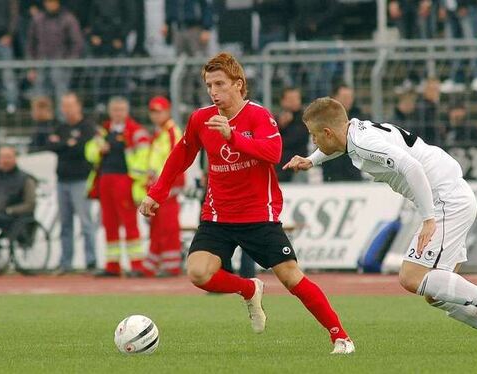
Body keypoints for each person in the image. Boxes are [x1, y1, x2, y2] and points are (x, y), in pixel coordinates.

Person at [138, 52, 354, 354]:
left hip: (258, 215)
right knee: (198, 273)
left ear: (238, 84)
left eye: (219, 84)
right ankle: (249, 288)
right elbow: (181, 155)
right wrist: (156, 193)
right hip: (218, 215)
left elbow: (273, 153)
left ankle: (340, 337)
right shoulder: (201, 118)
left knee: (291, 277)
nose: (213, 92)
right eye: (209, 85)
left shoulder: (259, 115)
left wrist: (232, 136)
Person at [283, 97, 477, 353]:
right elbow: (336, 146)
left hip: (445, 199)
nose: (313, 141)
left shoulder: (364, 143)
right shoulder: (354, 131)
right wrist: (312, 160)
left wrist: (428, 218)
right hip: (452, 193)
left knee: (411, 277)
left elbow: (412, 167)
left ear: (327, 132)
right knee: (436, 293)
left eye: (313, 135)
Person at [85, 97, 150, 277]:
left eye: (121, 109)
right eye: (115, 109)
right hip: (105, 179)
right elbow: (89, 152)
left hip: (124, 179)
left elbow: (144, 155)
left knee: (129, 221)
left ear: (127, 111)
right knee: (109, 222)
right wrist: (99, 150)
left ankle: (136, 264)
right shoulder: (103, 130)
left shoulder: (135, 131)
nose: (118, 113)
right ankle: (112, 265)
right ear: (109, 111)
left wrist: (135, 177)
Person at [46, 93, 97, 274]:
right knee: (65, 224)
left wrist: (64, 144)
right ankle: (66, 262)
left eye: (70, 105)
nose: (66, 109)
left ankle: (91, 261)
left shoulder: (87, 126)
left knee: (86, 222)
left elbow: (81, 148)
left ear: (79, 106)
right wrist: (68, 144)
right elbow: (51, 146)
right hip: (62, 181)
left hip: (81, 180)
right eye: (64, 106)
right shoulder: (60, 126)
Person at [141, 96, 184, 277]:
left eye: (159, 111)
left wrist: (174, 184)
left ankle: (171, 266)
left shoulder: (172, 132)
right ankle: (153, 265)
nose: (155, 115)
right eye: (153, 112)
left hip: (168, 188)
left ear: (167, 111)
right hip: (158, 188)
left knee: (168, 227)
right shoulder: (159, 133)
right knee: (157, 227)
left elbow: (180, 158)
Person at [26, 0, 84, 104]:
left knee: (61, 94)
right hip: (41, 62)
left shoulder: (68, 19)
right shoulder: (38, 19)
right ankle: (41, 119)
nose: (50, 4)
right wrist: (31, 66)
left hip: (61, 63)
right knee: (40, 96)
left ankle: (61, 119)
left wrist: (68, 61)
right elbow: (31, 44)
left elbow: (77, 43)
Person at [322, 84, 363, 182]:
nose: (348, 101)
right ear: (334, 98)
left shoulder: (359, 118)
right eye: (344, 97)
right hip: (331, 172)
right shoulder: (323, 119)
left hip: (354, 172)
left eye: (350, 97)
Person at [0, 147, 37, 235]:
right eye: (2, 157)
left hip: (12, 216)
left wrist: (10, 210)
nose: (5, 160)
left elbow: (30, 204)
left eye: (8, 157)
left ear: (15, 158)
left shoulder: (25, 179)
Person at [275, 87, 309, 183]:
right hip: (280, 167)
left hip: (298, 167)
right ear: (282, 101)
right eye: (290, 99)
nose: (293, 102)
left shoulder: (305, 119)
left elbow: (295, 139)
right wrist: (280, 126)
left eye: (296, 99)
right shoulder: (275, 119)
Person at [0, 0, 20, 114]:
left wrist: (10, 34)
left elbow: (14, 14)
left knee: (8, 73)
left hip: (3, 38)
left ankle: (11, 103)